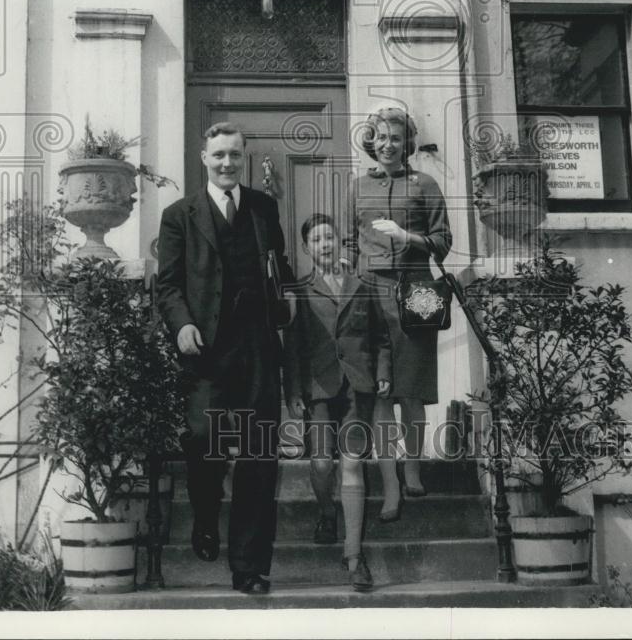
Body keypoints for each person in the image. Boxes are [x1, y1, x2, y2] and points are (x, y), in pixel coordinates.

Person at [156, 122, 295, 595]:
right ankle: (204, 513)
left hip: (256, 346)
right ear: (203, 158)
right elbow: (169, 284)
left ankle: (249, 568)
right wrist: (183, 325)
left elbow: (280, 268)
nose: (227, 163)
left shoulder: (263, 207)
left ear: (244, 157)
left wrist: (291, 295)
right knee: (201, 440)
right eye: (218, 155)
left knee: (259, 456)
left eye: (235, 155)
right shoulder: (179, 215)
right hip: (206, 349)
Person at [345, 107, 452, 520]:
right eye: (381, 138)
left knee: (411, 386)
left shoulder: (424, 184)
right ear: (371, 142)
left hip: (418, 290)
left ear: (407, 143)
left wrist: (408, 236)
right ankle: (390, 484)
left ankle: (412, 467)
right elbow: (350, 243)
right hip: (371, 292)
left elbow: (444, 241)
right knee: (378, 390)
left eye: (395, 138)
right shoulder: (356, 187)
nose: (387, 145)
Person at [283, 213, 391, 592]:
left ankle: (354, 558)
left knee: (352, 467)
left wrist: (382, 370)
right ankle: (327, 512)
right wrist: (294, 391)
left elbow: (380, 338)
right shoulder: (298, 290)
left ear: (339, 242)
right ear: (307, 248)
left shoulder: (363, 285)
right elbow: (292, 349)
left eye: (329, 237)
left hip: (357, 388)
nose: (325, 244)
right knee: (321, 463)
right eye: (316, 240)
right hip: (319, 388)